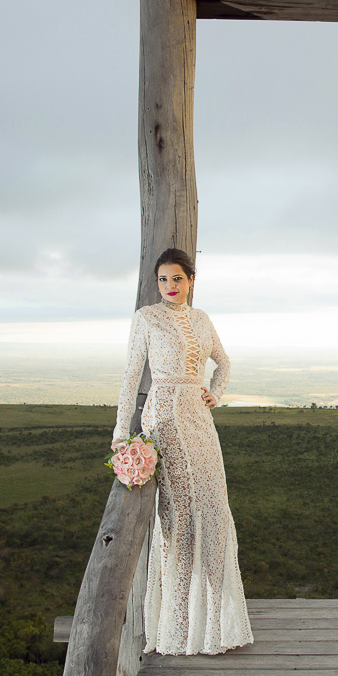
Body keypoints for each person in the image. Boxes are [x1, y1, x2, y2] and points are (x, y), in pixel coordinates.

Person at [112, 248, 253, 655]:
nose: (170, 287)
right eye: (162, 279)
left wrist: (216, 393)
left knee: (213, 508)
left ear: (190, 280)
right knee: (177, 517)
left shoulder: (202, 319)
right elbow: (130, 375)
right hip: (164, 419)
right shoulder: (146, 318)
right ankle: (177, 624)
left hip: (198, 417)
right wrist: (122, 434)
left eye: (177, 278)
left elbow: (223, 362)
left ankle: (216, 622)